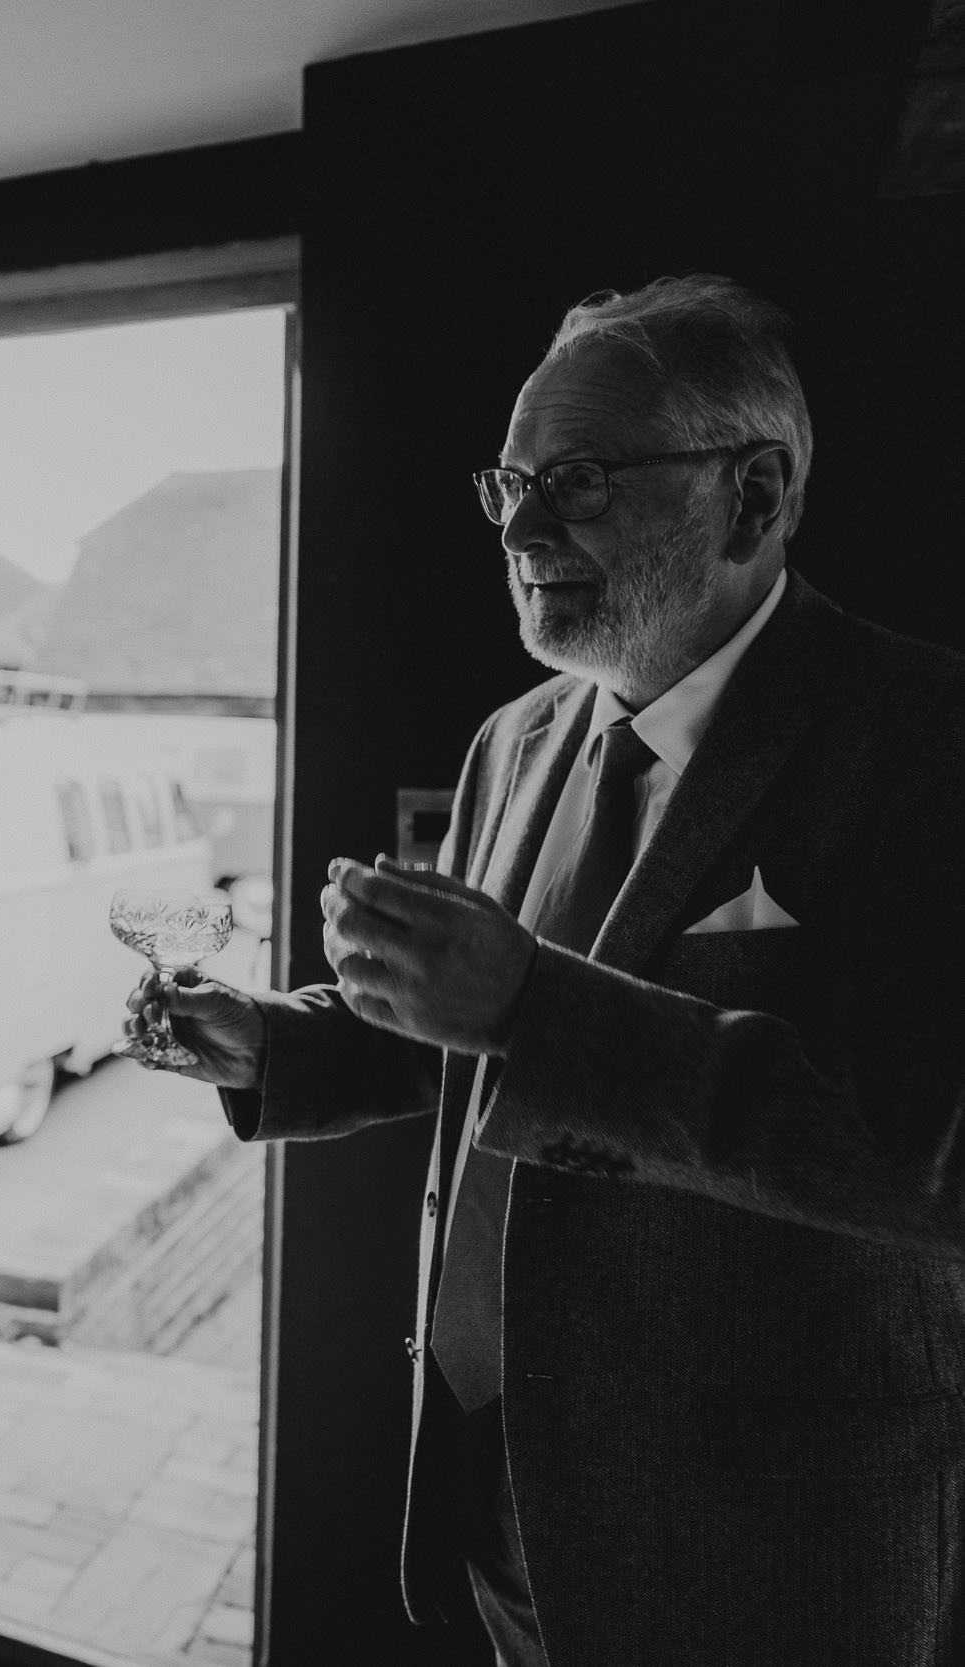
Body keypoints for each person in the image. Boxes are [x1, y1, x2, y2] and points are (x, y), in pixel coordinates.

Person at [128, 275, 965, 1664]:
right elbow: (471, 1033)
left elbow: (932, 1144)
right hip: (502, 1483)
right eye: (509, 481)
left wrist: (528, 1000)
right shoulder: (515, 739)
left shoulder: (927, 741)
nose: (518, 528)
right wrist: (280, 1039)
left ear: (752, 497)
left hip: (765, 1535)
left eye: (576, 480)